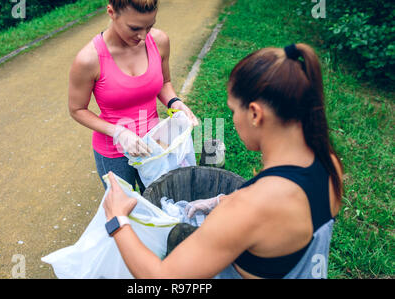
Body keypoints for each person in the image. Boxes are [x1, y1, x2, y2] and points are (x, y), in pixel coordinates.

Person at [102, 43, 345, 279]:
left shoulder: (247, 209)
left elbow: (161, 277)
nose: (233, 119)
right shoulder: (328, 165)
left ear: (254, 113)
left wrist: (118, 219)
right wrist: (221, 201)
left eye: (233, 110)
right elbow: (281, 216)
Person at [68, 0, 199, 194]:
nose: (143, 36)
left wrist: (175, 102)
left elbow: (164, 83)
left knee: (162, 202)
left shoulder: (159, 41)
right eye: (135, 28)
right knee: (125, 213)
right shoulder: (88, 60)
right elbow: (77, 109)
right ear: (111, 12)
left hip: (155, 145)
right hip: (114, 152)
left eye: (150, 26)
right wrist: (119, 133)